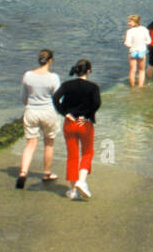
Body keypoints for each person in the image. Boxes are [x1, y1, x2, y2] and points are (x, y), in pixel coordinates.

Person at [53, 59, 102, 200]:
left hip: (69, 122)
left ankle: (72, 190)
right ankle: (82, 181)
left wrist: (65, 113)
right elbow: (97, 104)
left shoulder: (67, 85)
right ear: (88, 71)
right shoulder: (93, 87)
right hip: (84, 123)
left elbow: (56, 98)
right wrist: (87, 115)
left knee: (72, 155)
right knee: (87, 152)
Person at [17, 49, 61, 188]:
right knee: (49, 143)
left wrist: (30, 105)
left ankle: (23, 172)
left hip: (31, 111)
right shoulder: (53, 78)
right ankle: (46, 173)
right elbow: (58, 98)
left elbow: (23, 97)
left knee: (30, 144)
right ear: (50, 61)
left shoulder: (28, 75)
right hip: (48, 111)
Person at [124, 14, 148, 87]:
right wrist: (142, 43)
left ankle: (132, 87)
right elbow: (149, 41)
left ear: (135, 22)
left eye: (130, 21)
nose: (128, 23)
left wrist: (131, 45)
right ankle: (140, 86)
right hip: (142, 52)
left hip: (133, 52)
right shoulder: (144, 29)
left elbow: (127, 43)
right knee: (142, 70)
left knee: (132, 71)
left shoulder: (129, 31)